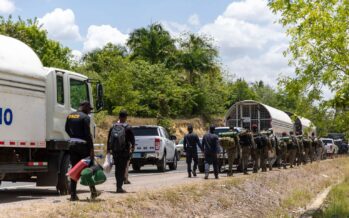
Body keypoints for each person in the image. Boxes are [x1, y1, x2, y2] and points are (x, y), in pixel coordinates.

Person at [65, 101, 100, 201]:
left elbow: (66, 129)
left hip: (72, 145)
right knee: (89, 168)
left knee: (75, 169)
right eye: (89, 109)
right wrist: (91, 149)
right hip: (83, 146)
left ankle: (73, 195)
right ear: (84, 107)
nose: (90, 111)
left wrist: (73, 137)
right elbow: (88, 134)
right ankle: (93, 192)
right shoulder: (85, 117)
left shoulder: (70, 116)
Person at [107, 110, 135, 193]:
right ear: (126, 117)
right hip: (124, 151)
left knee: (117, 169)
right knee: (122, 169)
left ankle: (118, 186)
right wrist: (132, 149)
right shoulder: (128, 127)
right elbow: (132, 140)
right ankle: (119, 187)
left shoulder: (113, 126)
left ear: (119, 117)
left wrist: (108, 149)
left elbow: (109, 139)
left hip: (115, 151)